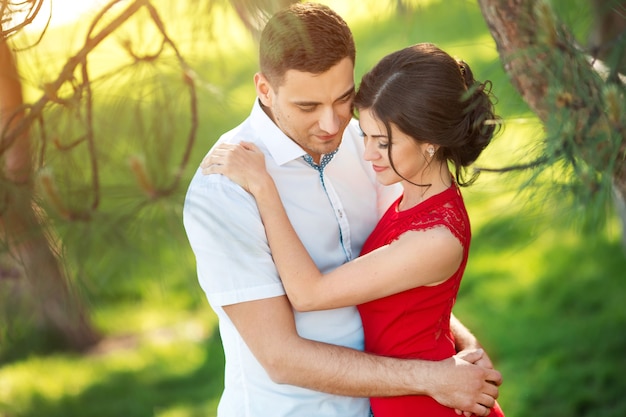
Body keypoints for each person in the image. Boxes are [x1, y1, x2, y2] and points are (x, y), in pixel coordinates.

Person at [183, 3, 501, 417]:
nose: (331, 124)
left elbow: (404, 267)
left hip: (397, 402)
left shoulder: (367, 142)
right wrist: (434, 377)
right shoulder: (224, 190)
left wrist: (462, 345)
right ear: (264, 89)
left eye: (344, 98)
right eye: (307, 107)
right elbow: (281, 357)